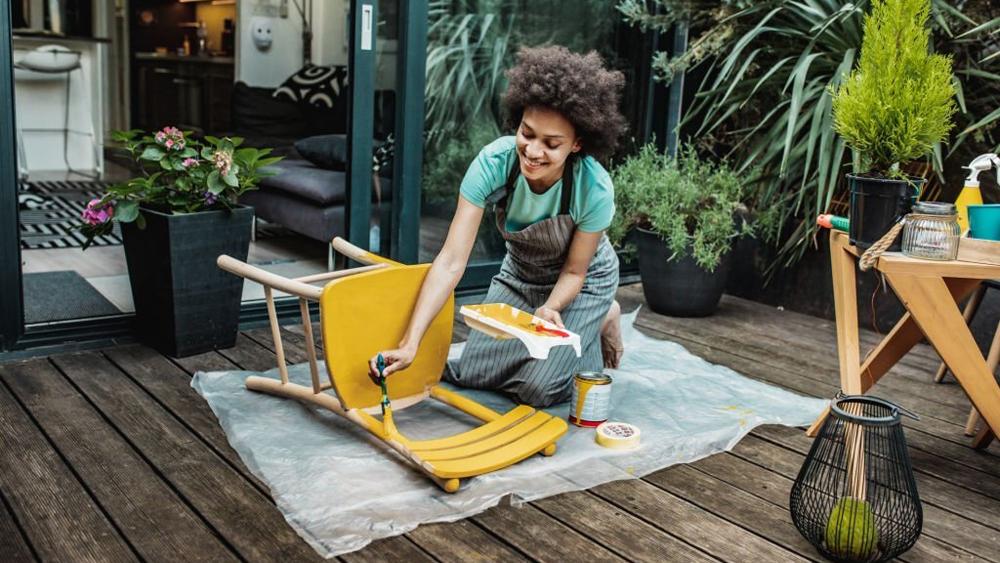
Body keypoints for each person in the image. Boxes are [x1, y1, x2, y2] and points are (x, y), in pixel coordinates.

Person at [369, 46, 627, 407]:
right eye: (527, 133)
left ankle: (602, 314)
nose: (533, 152)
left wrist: (552, 308)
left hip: (581, 283)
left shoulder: (593, 188)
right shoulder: (494, 163)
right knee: (474, 373)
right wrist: (411, 342)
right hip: (520, 275)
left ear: (577, 144)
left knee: (541, 389)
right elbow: (451, 261)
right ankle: (578, 328)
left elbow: (574, 270)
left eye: (551, 144)